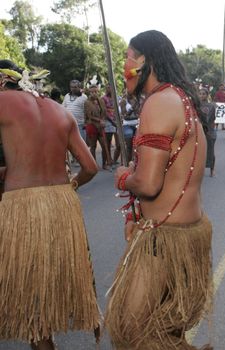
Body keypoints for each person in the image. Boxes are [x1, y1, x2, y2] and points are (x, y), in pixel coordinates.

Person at [105, 30, 213, 350]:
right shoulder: (182, 100)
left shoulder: (159, 102)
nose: (123, 66)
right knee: (166, 330)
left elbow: (149, 184)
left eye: (127, 57)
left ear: (145, 62)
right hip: (185, 233)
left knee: (131, 328)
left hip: (163, 239)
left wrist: (124, 177)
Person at [0, 60, 100, 349]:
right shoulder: (60, 111)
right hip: (61, 203)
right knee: (45, 288)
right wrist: (70, 186)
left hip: (23, 206)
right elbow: (90, 168)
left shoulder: (4, 103)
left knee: (31, 296)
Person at [84, 84, 112, 170]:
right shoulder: (87, 102)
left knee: (104, 145)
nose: (94, 93)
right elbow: (89, 116)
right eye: (92, 92)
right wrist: (99, 120)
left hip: (101, 126)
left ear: (98, 91)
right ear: (89, 92)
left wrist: (103, 120)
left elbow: (104, 112)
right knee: (93, 146)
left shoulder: (101, 100)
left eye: (95, 91)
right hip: (92, 125)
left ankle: (104, 164)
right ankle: (94, 165)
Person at [199, 87, 217, 177]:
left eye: (204, 94)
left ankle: (212, 169)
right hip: (199, 132)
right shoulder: (196, 105)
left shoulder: (211, 106)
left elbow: (212, 119)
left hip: (209, 131)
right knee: (198, 152)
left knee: (210, 151)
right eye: (200, 93)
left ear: (207, 95)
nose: (202, 95)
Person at [102, 85, 121, 165]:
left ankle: (114, 159)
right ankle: (109, 159)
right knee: (108, 142)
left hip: (117, 121)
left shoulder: (117, 97)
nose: (109, 90)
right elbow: (104, 112)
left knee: (119, 143)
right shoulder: (103, 98)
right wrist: (113, 122)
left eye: (111, 88)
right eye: (108, 89)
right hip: (108, 122)